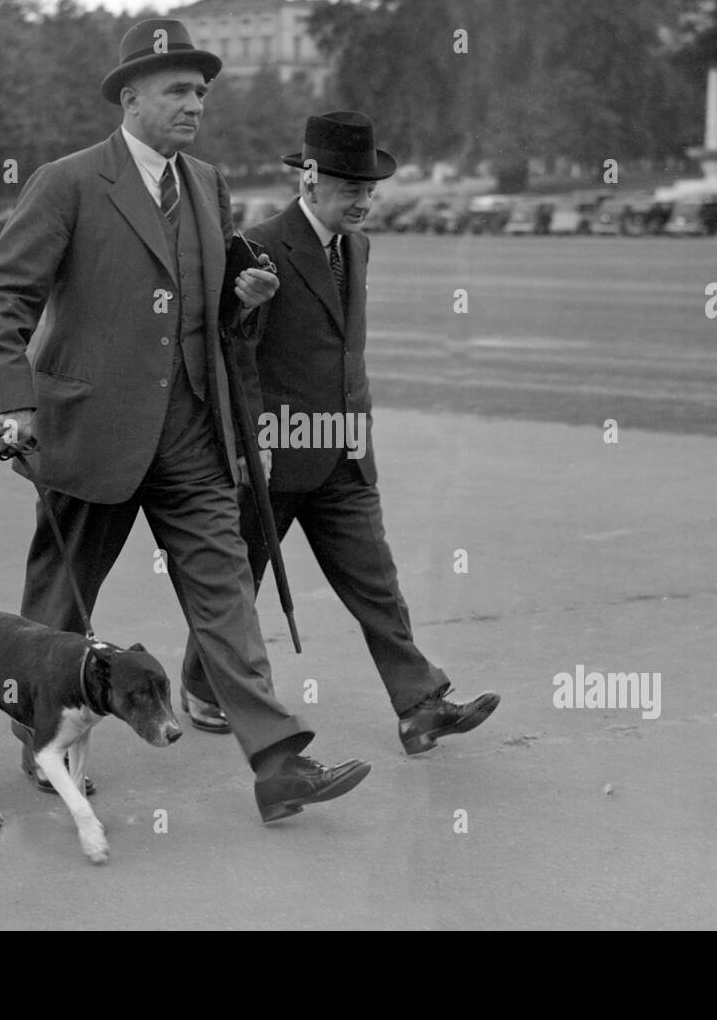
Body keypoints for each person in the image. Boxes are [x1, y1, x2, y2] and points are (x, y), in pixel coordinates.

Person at [0, 20, 370, 823]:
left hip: (192, 432)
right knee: (58, 609)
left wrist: (241, 302)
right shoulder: (68, 182)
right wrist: (6, 399)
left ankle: (278, 760)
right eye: (179, 90)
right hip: (88, 431)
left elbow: (210, 314)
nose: (195, 104)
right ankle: (45, 743)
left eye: (202, 92)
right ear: (131, 95)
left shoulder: (210, 186)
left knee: (225, 594)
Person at [182, 112, 499, 755]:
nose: (363, 200)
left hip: (347, 453)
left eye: (370, 187)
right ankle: (201, 687)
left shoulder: (358, 246)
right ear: (310, 177)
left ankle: (420, 706)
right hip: (273, 454)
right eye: (351, 187)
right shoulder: (258, 246)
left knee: (378, 584)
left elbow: (341, 349)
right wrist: (243, 307)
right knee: (239, 581)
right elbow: (228, 348)